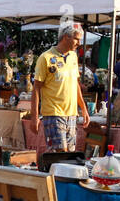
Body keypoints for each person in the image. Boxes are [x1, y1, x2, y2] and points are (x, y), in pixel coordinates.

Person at [28, 20, 90, 153]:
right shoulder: (45, 58)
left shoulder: (73, 56)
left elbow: (75, 84)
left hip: (71, 114)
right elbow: (36, 88)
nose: (79, 43)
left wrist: (83, 108)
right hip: (53, 113)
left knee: (69, 154)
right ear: (66, 37)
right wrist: (34, 117)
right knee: (60, 154)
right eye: (76, 39)